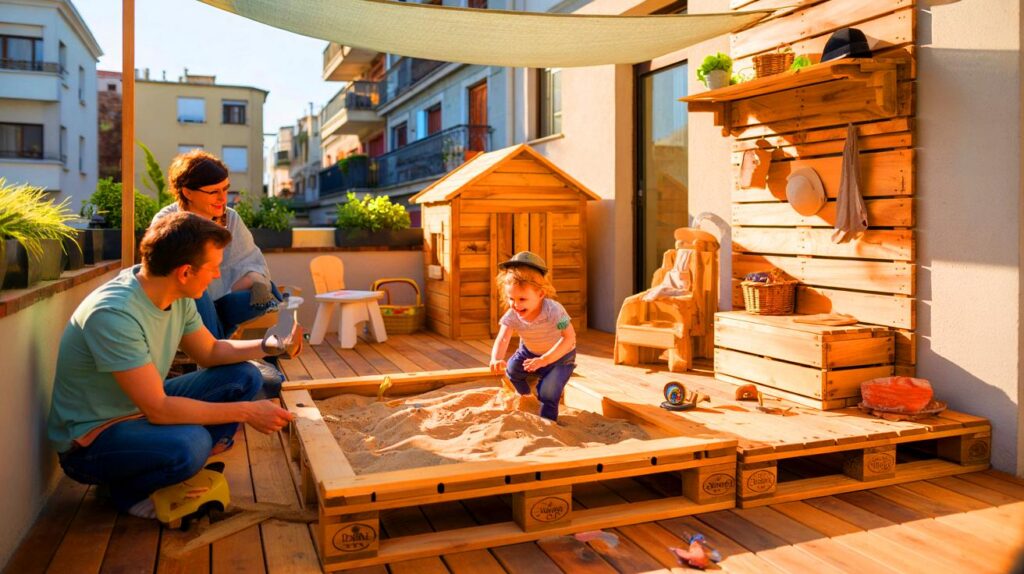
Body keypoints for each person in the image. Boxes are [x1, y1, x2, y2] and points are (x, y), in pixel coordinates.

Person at [47, 212, 299, 519]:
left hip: (137, 409)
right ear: (184, 272)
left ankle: (166, 467)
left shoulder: (174, 293)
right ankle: (126, 491)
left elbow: (210, 351)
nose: (218, 276)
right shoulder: (114, 314)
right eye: (213, 268)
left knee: (243, 374)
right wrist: (247, 412)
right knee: (191, 444)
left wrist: (269, 345)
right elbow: (159, 409)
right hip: (91, 442)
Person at [152, 149, 280, 340]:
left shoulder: (230, 218)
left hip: (224, 298)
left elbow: (252, 264)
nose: (223, 198)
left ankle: (216, 342)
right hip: (183, 306)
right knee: (198, 292)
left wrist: (252, 278)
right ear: (188, 192)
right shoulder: (168, 221)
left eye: (225, 189)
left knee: (265, 295)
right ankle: (217, 349)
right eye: (214, 192)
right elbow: (175, 280)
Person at [489, 251, 577, 421]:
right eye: (511, 298)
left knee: (548, 392)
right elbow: (503, 337)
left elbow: (569, 337)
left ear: (540, 294)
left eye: (522, 299)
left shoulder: (554, 312)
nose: (515, 304)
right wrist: (496, 358)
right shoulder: (513, 314)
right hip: (529, 353)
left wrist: (545, 359)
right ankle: (527, 398)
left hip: (560, 356)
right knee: (512, 370)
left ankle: (547, 422)